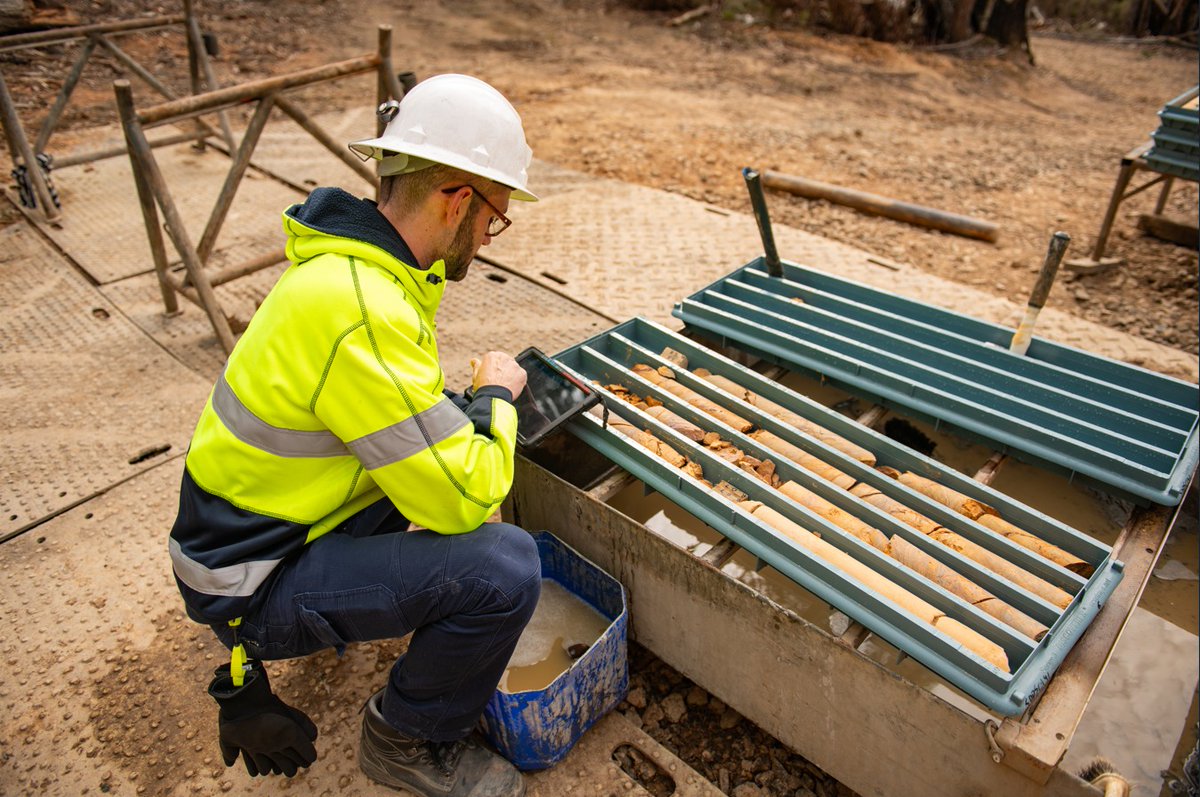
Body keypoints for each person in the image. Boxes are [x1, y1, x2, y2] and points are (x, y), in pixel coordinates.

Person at [167, 74, 543, 797]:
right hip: (250, 581)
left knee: (446, 432)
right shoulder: (362, 307)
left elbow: (401, 427)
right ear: (457, 201)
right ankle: (406, 739)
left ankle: (333, 617)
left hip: (246, 538)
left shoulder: (351, 268)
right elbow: (464, 498)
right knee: (505, 568)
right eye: (493, 218)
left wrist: (465, 414)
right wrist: (497, 399)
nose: (486, 239)